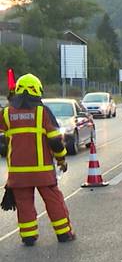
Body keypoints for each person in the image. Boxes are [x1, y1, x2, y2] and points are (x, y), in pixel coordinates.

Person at [0, 74, 75, 245]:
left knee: (24, 203)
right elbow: (55, 140)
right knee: (54, 201)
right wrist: (61, 159)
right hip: (42, 172)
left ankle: (28, 236)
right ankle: (64, 234)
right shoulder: (43, 112)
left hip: (18, 174)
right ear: (37, 91)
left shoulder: (6, 113)